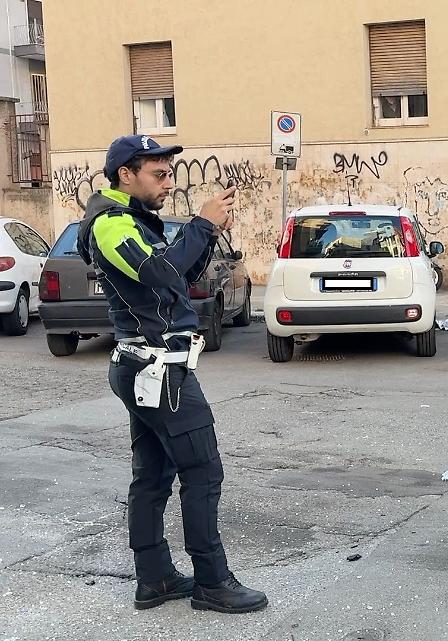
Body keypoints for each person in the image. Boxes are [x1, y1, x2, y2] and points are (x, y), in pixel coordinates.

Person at [75, 135, 268, 614]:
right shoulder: (111, 225)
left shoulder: (132, 221)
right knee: (202, 471)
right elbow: (161, 273)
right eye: (158, 175)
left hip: (148, 365)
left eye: (169, 174)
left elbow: (179, 279)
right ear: (126, 174)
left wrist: (211, 229)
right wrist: (202, 223)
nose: (168, 184)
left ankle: (156, 578)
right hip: (158, 367)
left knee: (154, 473)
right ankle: (211, 581)